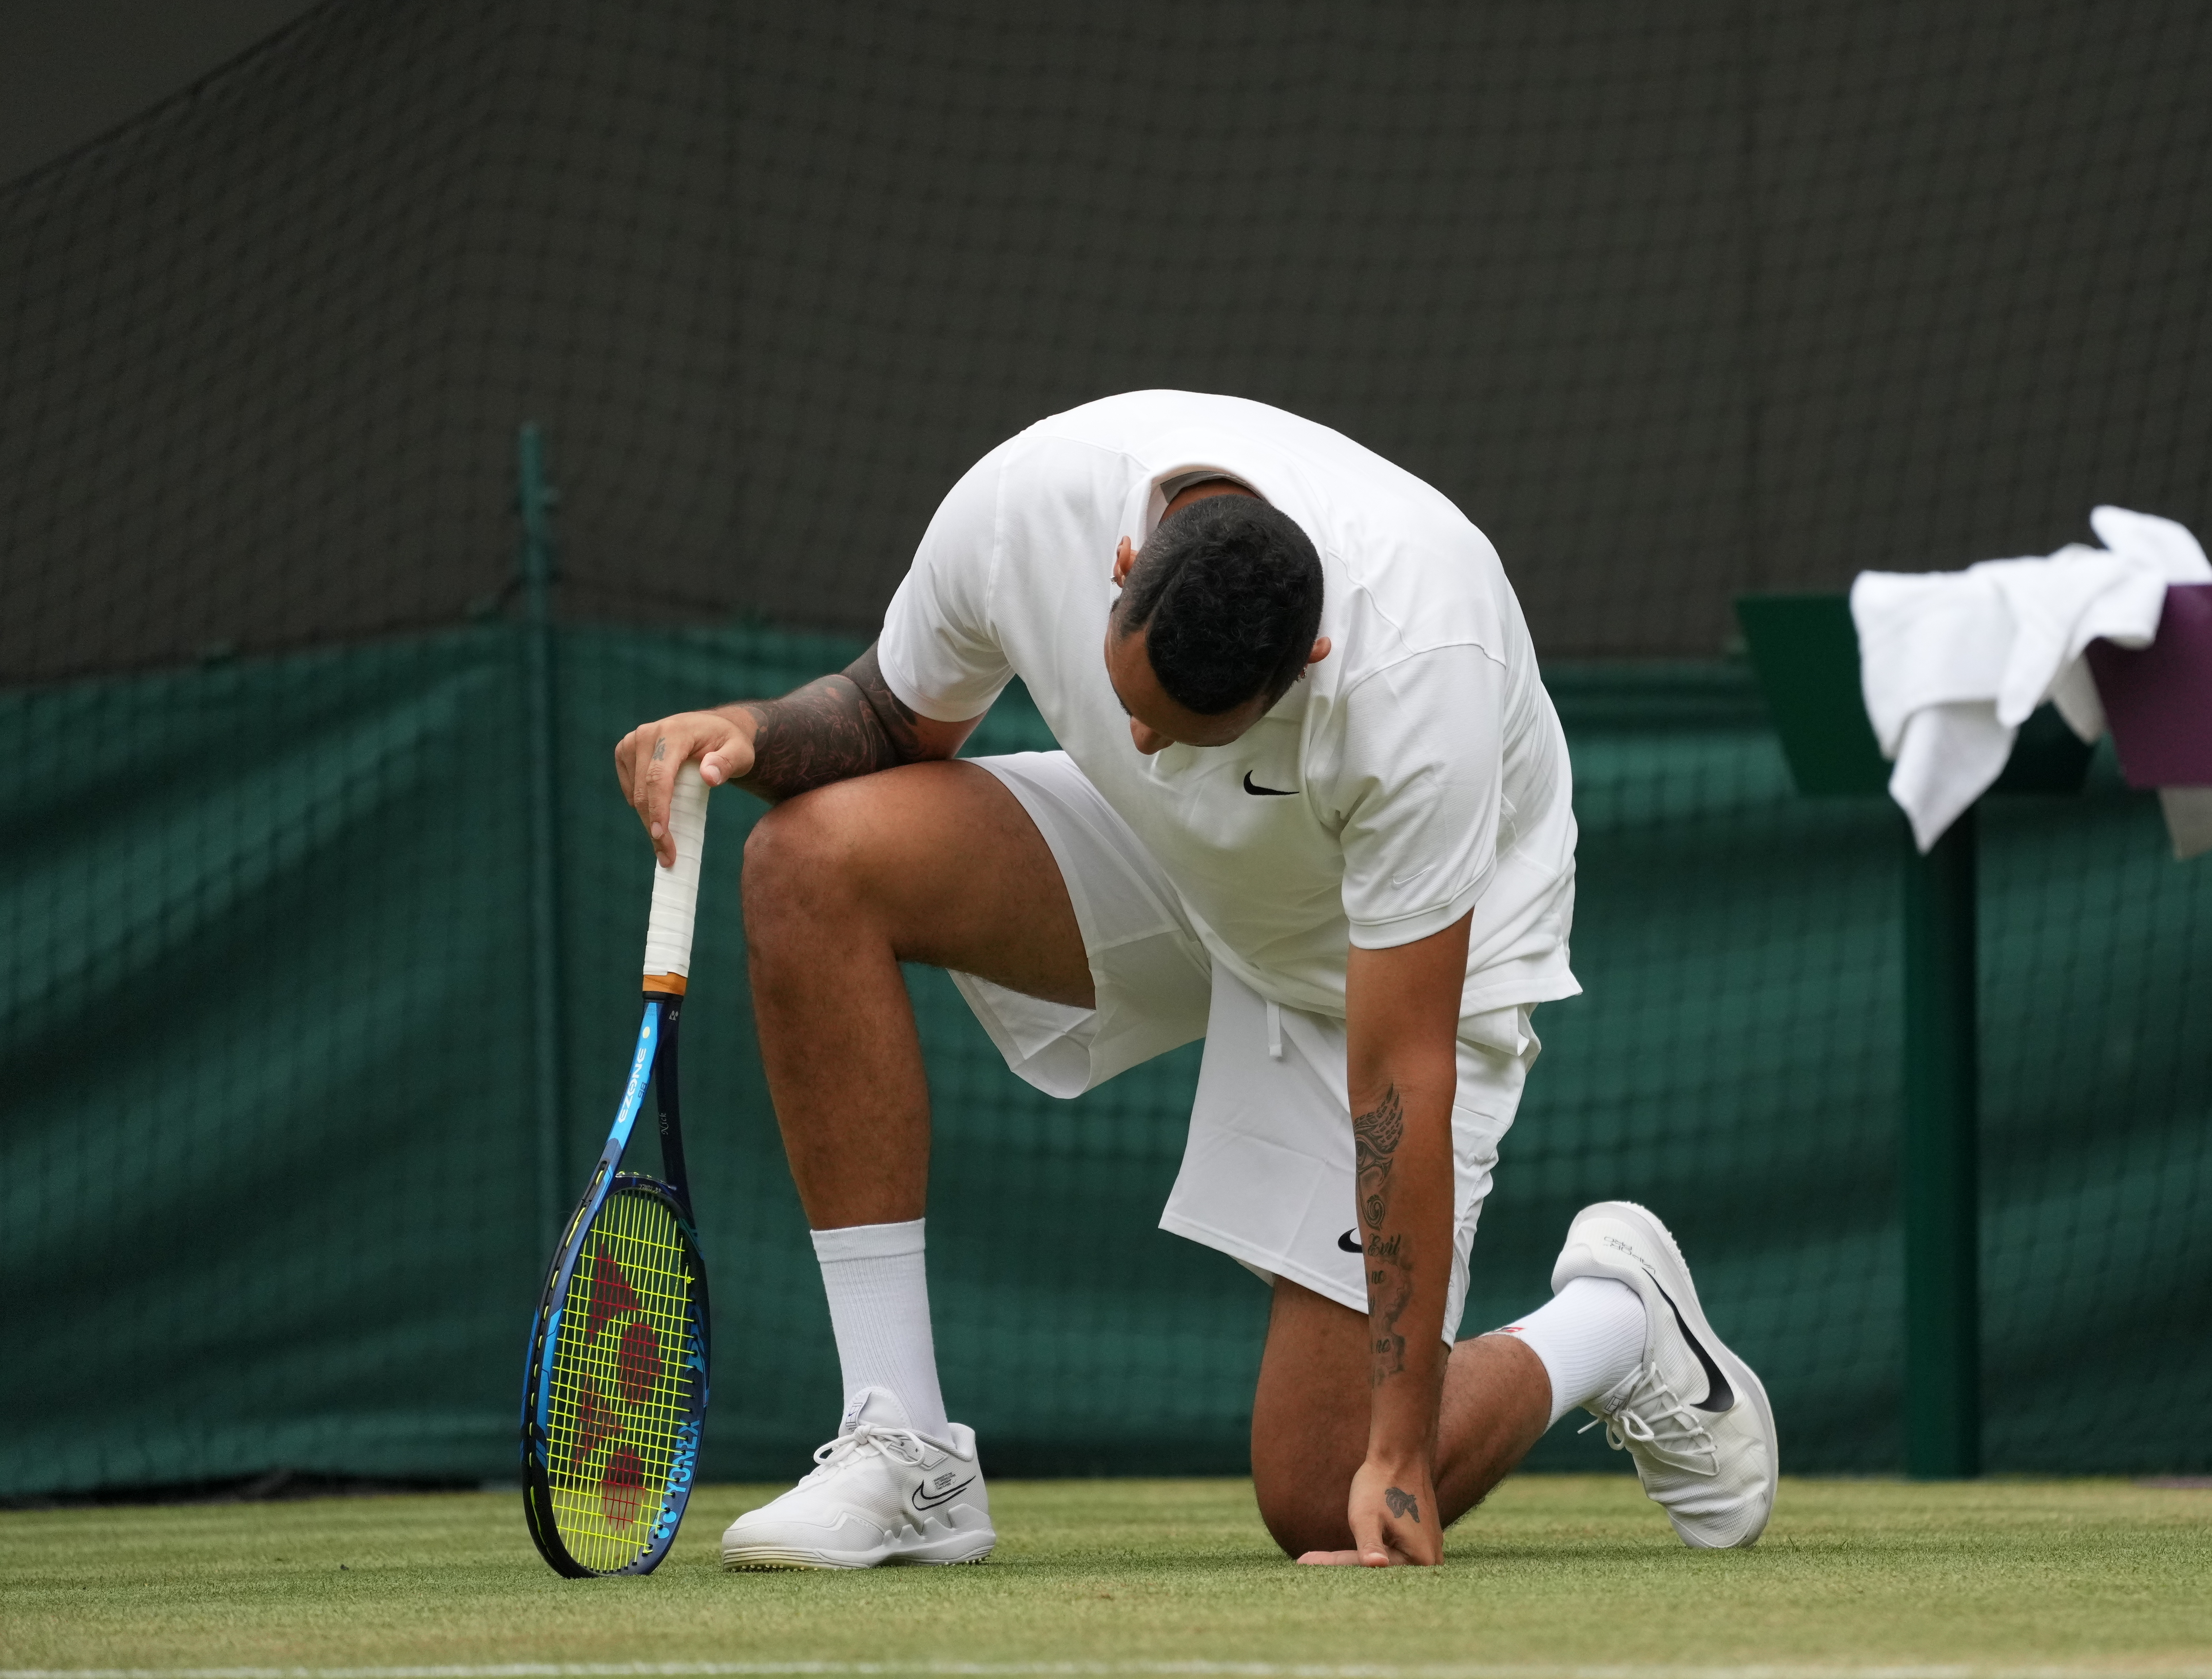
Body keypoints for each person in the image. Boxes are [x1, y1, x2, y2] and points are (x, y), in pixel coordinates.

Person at [615, 390, 1774, 1569]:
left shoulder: (1425, 671)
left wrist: (1400, 1449)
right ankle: (903, 1445)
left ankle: (1617, 1325)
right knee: (810, 860)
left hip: (1379, 957)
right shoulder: (1028, 504)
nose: (1150, 744)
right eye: (1131, 708)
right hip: (1174, 869)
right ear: (1122, 567)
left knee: (1328, 1497)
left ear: (1309, 658)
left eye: (1191, 729)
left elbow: (1399, 1078)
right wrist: (750, 728)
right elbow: (886, 713)